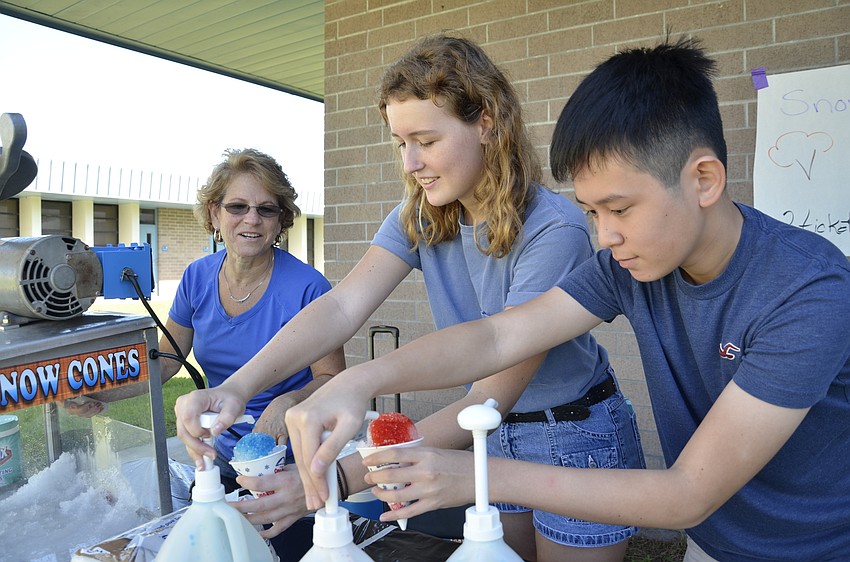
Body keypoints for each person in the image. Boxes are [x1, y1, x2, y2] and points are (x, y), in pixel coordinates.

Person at [283, 36, 850, 562]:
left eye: (620, 209)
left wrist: (471, 475)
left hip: (815, 546)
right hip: (715, 541)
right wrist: (357, 382)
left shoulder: (807, 294)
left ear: (703, 180)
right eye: (591, 212)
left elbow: (685, 495)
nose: (604, 236)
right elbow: (500, 336)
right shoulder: (625, 266)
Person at [175, 34, 644, 562]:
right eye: (401, 143)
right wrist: (238, 387)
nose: (411, 162)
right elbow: (340, 308)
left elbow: (486, 395)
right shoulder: (422, 215)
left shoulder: (551, 229)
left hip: (572, 436)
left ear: (486, 122)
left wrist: (336, 475)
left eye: (425, 139)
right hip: (492, 437)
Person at [68, 147, 346, 486]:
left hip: (296, 459)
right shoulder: (196, 278)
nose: (252, 219)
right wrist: (100, 391)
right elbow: (167, 360)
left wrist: (286, 404)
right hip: (223, 455)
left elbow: (332, 378)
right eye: (237, 207)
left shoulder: (308, 287)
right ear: (214, 214)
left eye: (266, 209)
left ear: (281, 220)